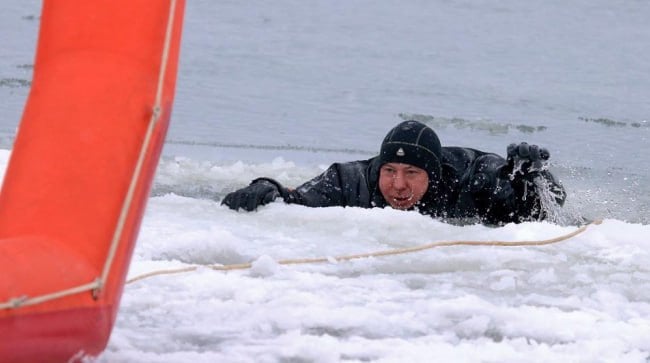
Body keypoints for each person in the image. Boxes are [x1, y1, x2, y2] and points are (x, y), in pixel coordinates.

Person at [222, 120, 566, 225]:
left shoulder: (475, 175)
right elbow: (295, 199)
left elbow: (542, 213)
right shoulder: (351, 179)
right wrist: (266, 186)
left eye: (412, 173)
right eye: (389, 170)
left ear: (432, 172)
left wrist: (533, 178)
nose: (397, 185)